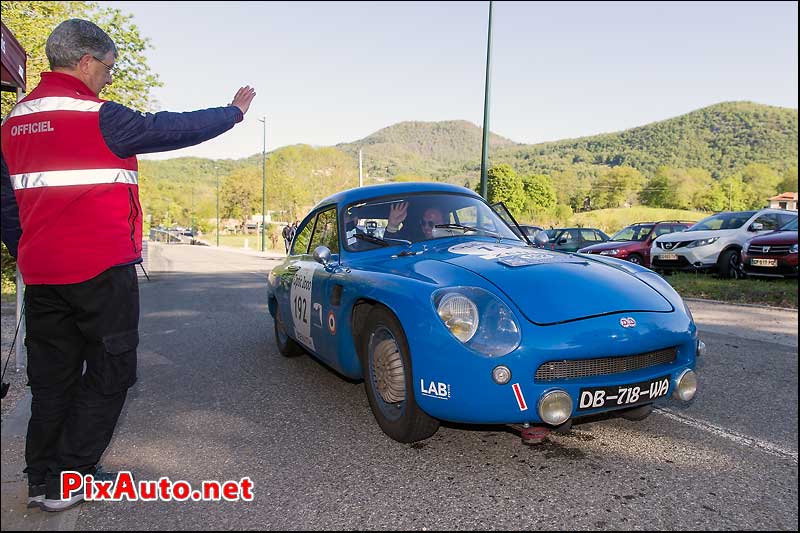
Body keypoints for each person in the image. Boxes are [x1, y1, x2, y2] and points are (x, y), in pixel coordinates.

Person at [0, 19, 255, 513]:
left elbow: (6, 207)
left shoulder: (11, 124)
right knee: (111, 371)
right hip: (101, 272)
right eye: (108, 69)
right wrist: (232, 113)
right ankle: (70, 478)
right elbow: (169, 128)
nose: (109, 80)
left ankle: (41, 478)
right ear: (86, 62)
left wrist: (28, 250)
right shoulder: (97, 116)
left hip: (43, 276)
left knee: (52, 379)